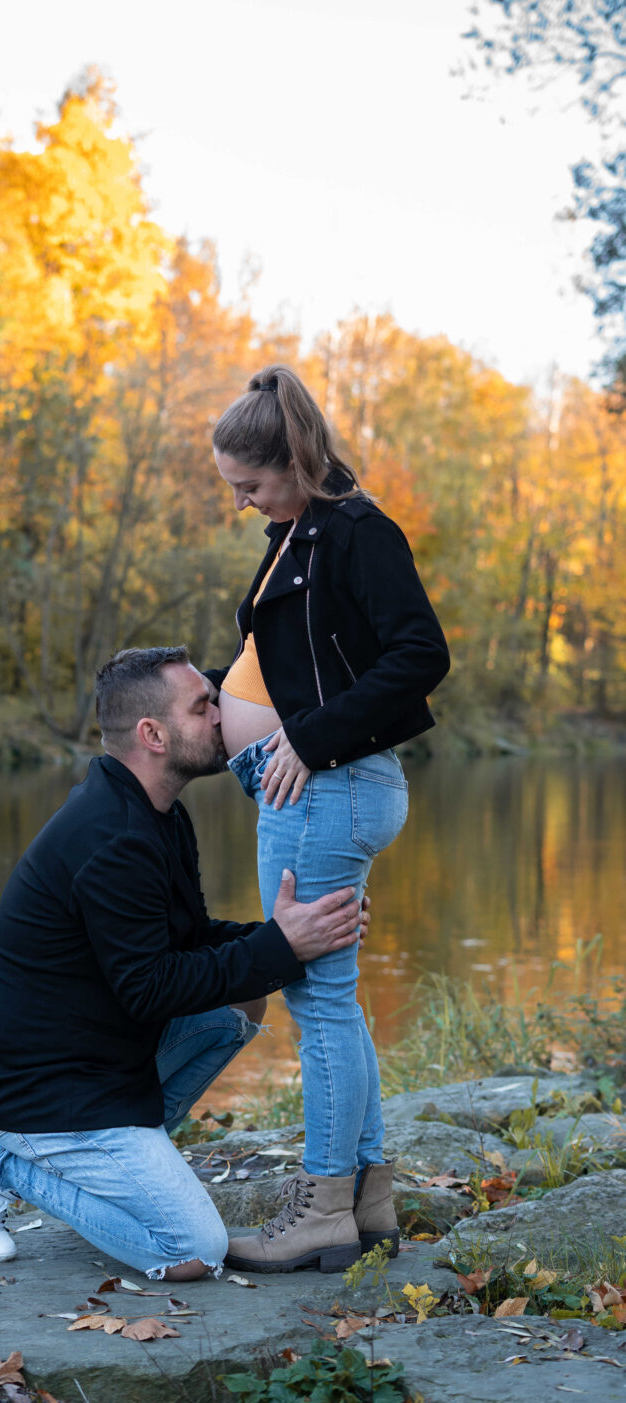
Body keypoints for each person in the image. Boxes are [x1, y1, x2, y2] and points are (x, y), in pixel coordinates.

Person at [0, 646, 371, 1282]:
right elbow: (150, 989)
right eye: (203, 707)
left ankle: (128, 1159)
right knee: (194, 1252)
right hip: (43, 1096)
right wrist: (282, 947)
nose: (223, 716)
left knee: (242, 999)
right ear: (153, 734)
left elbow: (189, 938)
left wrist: (295, 932)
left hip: (102, 1064)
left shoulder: (156, 815)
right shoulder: (112, 838)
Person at [204, 365, 450, 1273]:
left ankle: (321, 1209)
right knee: (329, 1001)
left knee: (318, 1007)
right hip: (311, 789)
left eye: (250, 485)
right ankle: (368, 1197)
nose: (242, 503)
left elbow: (421, 653)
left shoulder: (355, 530)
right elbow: (290, 664)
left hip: (327, 785)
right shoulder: (296, 534)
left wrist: (307, 740)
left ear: (295, 460)